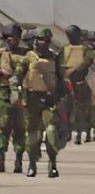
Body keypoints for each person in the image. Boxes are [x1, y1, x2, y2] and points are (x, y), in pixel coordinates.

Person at [20, 27, 63, 178]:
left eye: (44, 40)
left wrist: (59, 97)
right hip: (32, 101)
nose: (40, 43)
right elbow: (18, 76)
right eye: (38, 39)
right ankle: (32, 165)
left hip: (49, 101)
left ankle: (52, 165)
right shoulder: (28, 58)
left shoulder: (55, 58)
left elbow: (61, 80)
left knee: (51, 133)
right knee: (32, 136)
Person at [0, 23, 27, 172]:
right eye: (9, 37)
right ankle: (0, 159)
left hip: (21, 94)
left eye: (15, 37)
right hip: (4, 94)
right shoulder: (1, 53)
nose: (12, 40)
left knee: (19, 128)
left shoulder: (26, 54)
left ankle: (18, 161)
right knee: (4, 126)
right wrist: (0, 72)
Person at [59, 25, 91, 144]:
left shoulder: (86, 49)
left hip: (81, 84)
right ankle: (68, 133)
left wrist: (73, 69)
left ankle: (81, 134)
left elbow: (87, 61)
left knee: (82, 110)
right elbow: (60, 63)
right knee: (66, 109)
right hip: (68, 83)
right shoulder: (65, 49)